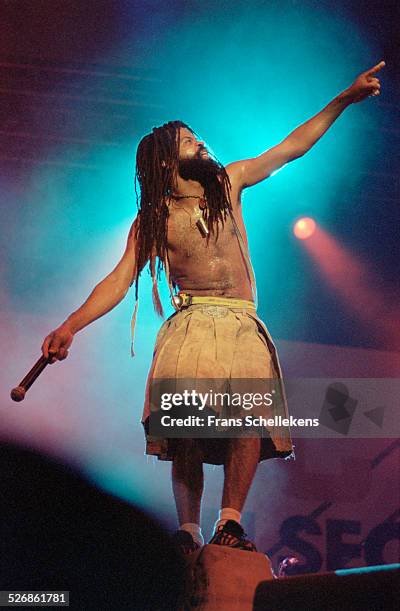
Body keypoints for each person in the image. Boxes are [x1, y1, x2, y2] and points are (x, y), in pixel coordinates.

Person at [42, 61, 384, 555]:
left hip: (242, 321)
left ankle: (230, 523)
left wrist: (343, 100)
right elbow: (119, 280)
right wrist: (70, 325)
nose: (200, 141)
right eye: (188, 138)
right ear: (164, 160)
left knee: (247, 420)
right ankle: (187, 531)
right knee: (186, 432)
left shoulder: (230, 183)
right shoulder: (154, 220)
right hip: (192, 323)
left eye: (197, 135)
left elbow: (291, 147)